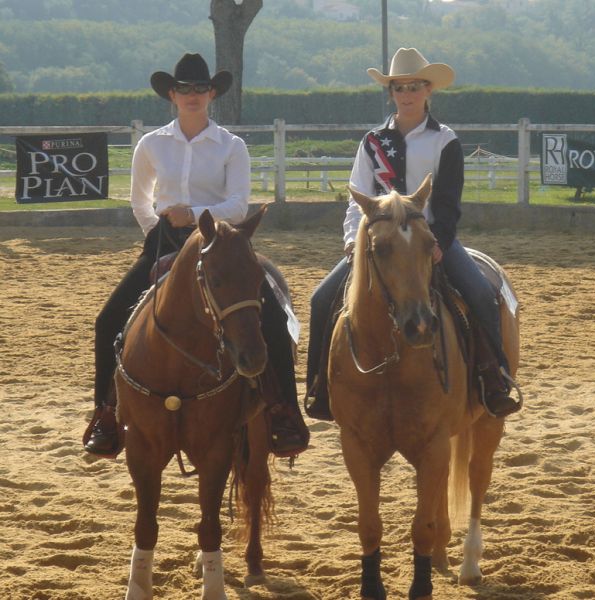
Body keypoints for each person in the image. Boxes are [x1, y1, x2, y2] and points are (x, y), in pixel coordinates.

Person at [84, 52, 309, 457]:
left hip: (222, 243)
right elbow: (140, 202)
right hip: (165, 240)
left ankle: (283, 412)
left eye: (200, 89)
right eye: (184, 89)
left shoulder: (231, 145)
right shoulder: (151, 145)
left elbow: (240, 205)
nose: (193, 95)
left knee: (271, 317)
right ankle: (106, 413)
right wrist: (162, 232)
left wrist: (196, 216)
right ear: (172, 94)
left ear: (211, 94)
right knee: (107, 320)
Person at [305, 47, 521, 420]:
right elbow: (356, 196)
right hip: (380, 243)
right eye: (399, 87)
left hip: (430, 241)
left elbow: (450, 201)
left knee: (482, 294)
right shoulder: (372, 141)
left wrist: (438, 242)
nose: (406, 94)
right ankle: (319, 389)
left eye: (414, 87)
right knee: (321, 299)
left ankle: (494, 379)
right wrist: (352, 239)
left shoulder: (445, 140)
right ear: (391, 93)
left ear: (428, 91)